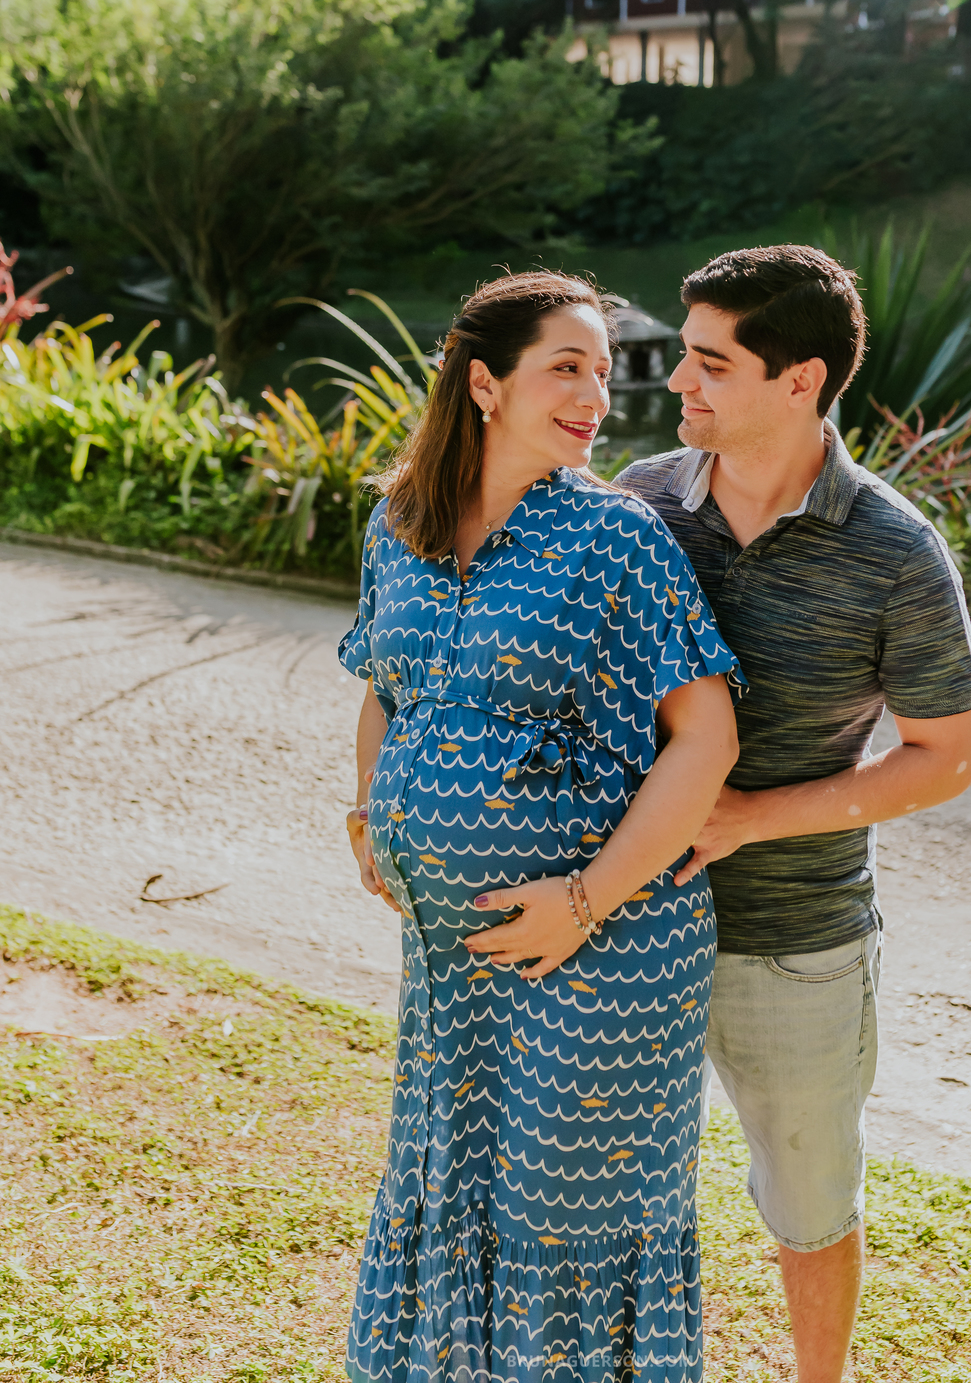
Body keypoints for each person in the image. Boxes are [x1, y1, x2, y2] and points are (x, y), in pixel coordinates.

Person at [340, 271, 741, 1383]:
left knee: (560, 1212)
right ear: (484, 382)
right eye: (567, 367)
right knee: (452, 1178)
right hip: (450, 958)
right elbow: (383, 683)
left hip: (605, 956)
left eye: (604, 374)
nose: (596, 397)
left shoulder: (616, 539)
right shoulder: (402, 521)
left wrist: (582, 900)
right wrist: (375, 812)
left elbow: (706, 741)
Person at [617, 245, 971, 1383]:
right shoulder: (637, 504)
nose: (682, 383)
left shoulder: (896, 551)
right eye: (685, 355)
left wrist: (752, 816)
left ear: (800, 377)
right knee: (615, 1193)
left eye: (712, 363)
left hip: (799, 944)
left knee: (809, 1202)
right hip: (624, 924)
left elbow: (946, 758)